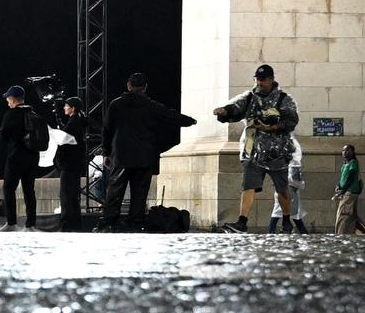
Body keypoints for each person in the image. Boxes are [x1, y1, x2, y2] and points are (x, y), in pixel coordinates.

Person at [99, 73, 194, 232]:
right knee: (139, 193)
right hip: (144, 156)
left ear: (128, 85)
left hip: (121, 155)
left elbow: (107, 130)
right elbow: (171, 116)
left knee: (115, 191)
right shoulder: (151, 106)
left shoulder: (116, 105)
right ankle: (134, 224)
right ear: (145, 88)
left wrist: (106, 152)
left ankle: (108, 223)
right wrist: (191, 121)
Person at [213, 63, 300, 233]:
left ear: (271, 80)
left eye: (263, 80)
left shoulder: (284, 99)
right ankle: (242, 222)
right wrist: (224, 111)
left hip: (278, 153)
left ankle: (287, 220)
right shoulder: (249, 97)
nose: (259, 83)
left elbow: (291, 120)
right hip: (253, 152)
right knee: (248, 186)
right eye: (257, 79)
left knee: (282, 189)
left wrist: (273, 127)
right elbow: (236, 107)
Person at [0, 85, 48, 231]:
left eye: (8, 99)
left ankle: (12, 223)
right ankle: (30, 225)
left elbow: (4, 136)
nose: (7, 102)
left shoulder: (11, 114)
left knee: (9, 188)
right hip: (33, 157)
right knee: (29, 190)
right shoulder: (33, 112)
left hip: (16, 156)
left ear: (12, 99)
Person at [52, 97, 91, 231]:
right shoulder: (78, 121)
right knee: (73, 195)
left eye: (66, 106)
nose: (64, 108)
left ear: (73, 108)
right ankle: (75, 224)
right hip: (75, 164)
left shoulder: (74, 123)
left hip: (69, 164)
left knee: (66, 195)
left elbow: (66, 141)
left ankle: (67, 225)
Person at [333, 143, 363, 233]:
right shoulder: (345, 164)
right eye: (343, 150)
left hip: (350, 192)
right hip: (346, 191)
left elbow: (351, 177)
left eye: (347, 150)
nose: (344, 152)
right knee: (351, 216)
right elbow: (343, 177)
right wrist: (338, 185)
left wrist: (343, 190)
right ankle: (355, 232)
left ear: (352, 152)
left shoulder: (353, 163)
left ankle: (340, 234)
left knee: (342, 215)